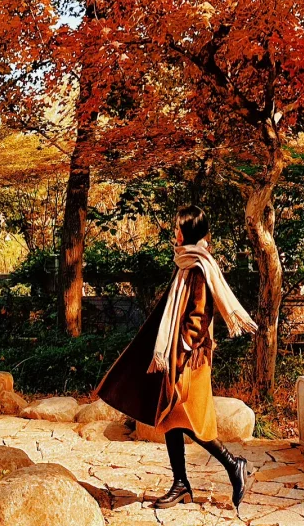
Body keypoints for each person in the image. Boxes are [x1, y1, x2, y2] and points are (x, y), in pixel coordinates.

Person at [96, 205, 256, 512]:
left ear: (189, 231)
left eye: (178, 228)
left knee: (192, 420)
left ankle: (235, 465)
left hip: (192, 357)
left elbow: (200, 314)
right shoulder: (186, 264)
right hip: (180, 355)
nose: (175, 232)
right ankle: (182, 484)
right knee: (170, 416)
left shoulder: (199, 267)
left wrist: (181, 346)